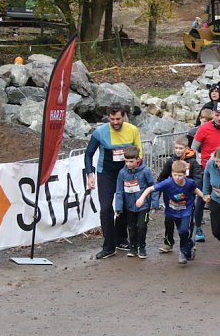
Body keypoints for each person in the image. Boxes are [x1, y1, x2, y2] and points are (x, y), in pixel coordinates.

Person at [85, 103, 143, 259]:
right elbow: (88, 154)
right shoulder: (100, 132)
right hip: (106, 174)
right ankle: (109, 246)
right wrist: (90, 174)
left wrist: (140, 174)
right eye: (112, 119)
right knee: (105, 209)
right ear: (108, 117)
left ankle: (121, 238)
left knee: (125, 206)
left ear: (123, 116)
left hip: (126, 173)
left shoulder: (132, 130)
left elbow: (140, 154)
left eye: (118, 119)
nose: (116, 122)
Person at [136, 160, 202, 266]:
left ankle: (183, 253)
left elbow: (195, 190)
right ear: (171, 174)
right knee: (176, 229)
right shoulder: (167, 183)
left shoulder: (189, 183)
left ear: (185, 175)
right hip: (171, 211)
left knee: (183, 231)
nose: (177, 178)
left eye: (180, 175)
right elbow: (150, 189)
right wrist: (141, 198)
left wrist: (203, 196)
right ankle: (188, 246)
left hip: (186, 211)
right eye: (175, 175)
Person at [192, 101, 220, 243]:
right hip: (207, 168)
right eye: (217, 115)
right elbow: (194, 147)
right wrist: (199, 161)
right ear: (212, 114)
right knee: (202, 197)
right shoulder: (204, 128)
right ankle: (198, 227)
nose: (219, 118)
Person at [157, 136, 202, 252]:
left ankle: (188, 243)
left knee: (186, 223)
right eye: (176, 148)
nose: (178, 150)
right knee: (168, 220)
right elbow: (162, 177)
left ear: (186, 148)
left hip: (187, 199)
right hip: (171, 198)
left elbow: (198, 178)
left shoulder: (193, 162)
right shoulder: (171, 161)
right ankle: (168, 243)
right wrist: (156, 195)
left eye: (180, 148)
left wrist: (191, 188)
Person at [115, 146, 158, 259]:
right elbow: (119, 191)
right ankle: (133, 247)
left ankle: (141, 247)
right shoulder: (122, 173)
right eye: (126, 161)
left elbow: (152, 186)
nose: (129, 164)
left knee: (141, 226)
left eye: (131, 161)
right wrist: (118, 207)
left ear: (137, 159)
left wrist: (155, 203)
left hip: (143, 206)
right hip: (129, 207)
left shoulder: (145, 171)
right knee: (131, 227)